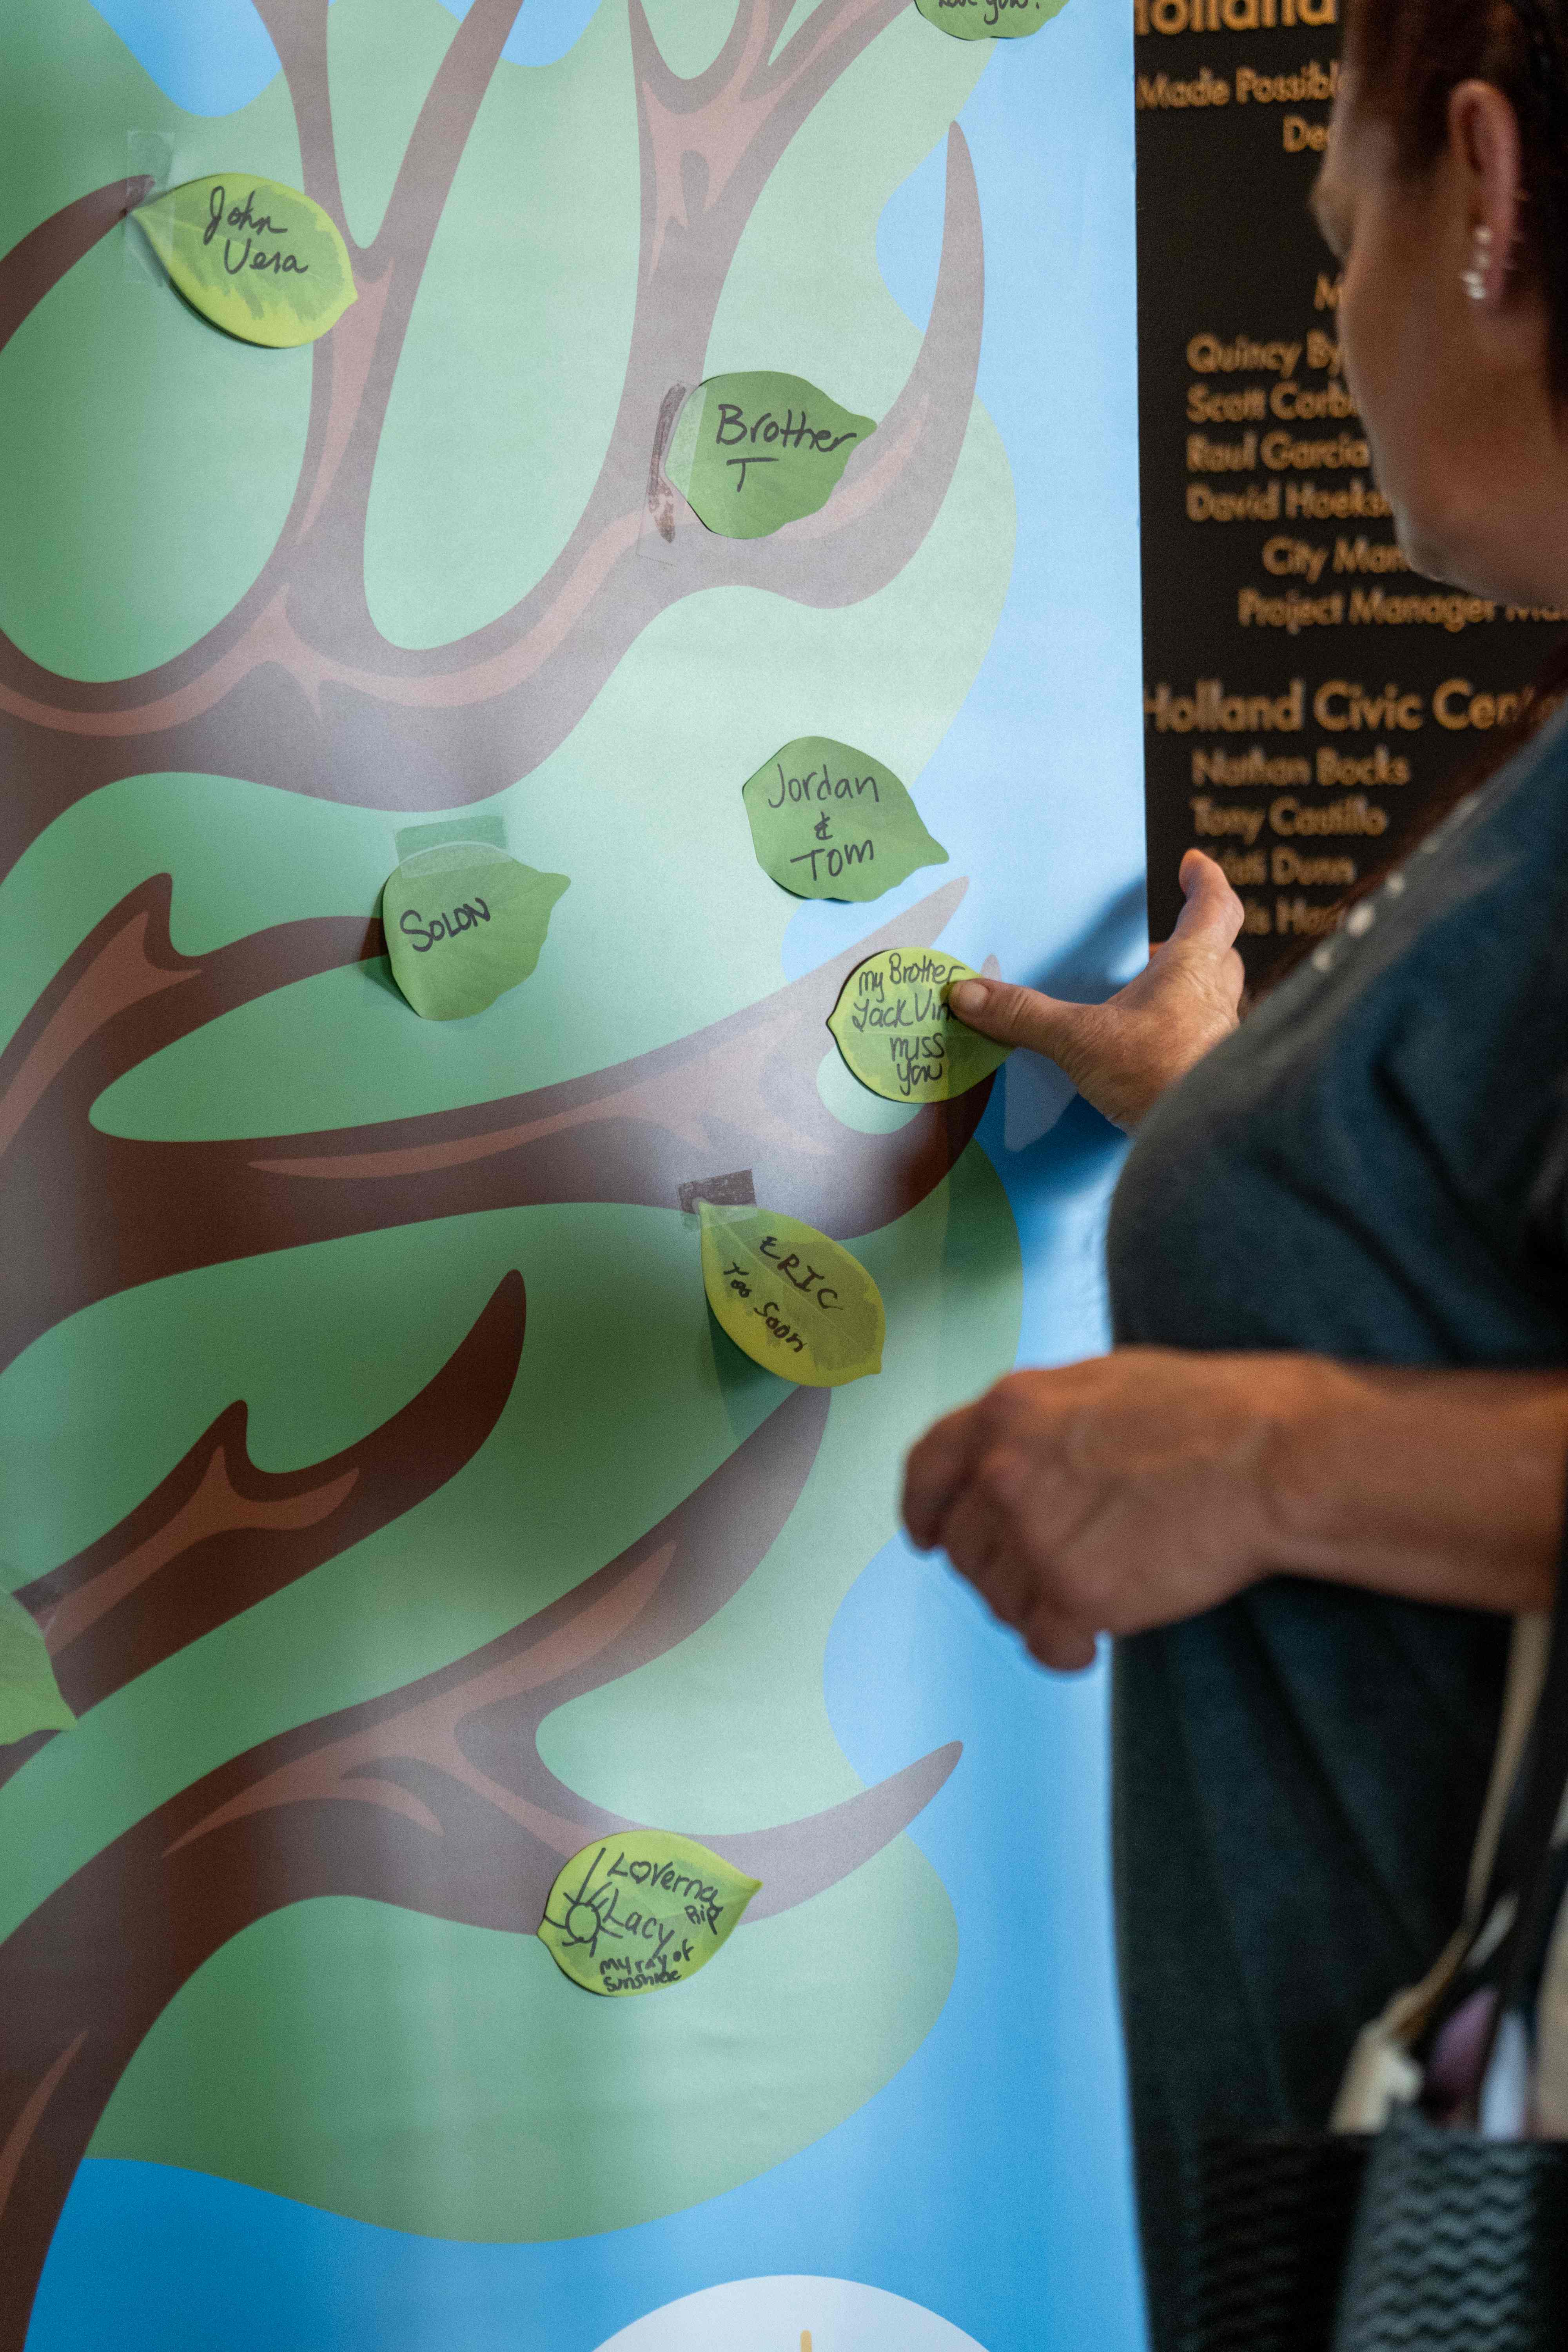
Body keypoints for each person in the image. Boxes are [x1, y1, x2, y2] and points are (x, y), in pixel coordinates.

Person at [901, 0, 1568, 2337]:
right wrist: (1238, 1118)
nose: (1335, 322)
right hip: (1395, 2214)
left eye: (1337, 229)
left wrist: (1267, 1455)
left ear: (1484, 193)